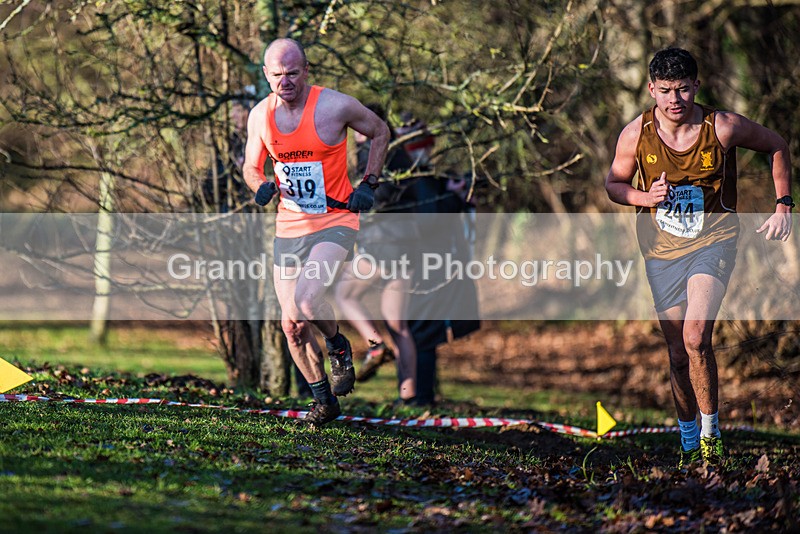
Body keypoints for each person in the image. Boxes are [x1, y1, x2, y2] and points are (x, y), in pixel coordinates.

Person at [605, 47, 792, 467]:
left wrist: (783, 204)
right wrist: (643, 196)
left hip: (714, 242)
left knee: (695, 338)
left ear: (697, 87)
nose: (675, 100)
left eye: (684, 90)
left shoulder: (722, 126)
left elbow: (777, 146)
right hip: (660, 251)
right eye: (666, 91)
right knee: (676, 351)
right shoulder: (636, 133)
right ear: (652, 89)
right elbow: (613, 183)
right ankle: (688, 441)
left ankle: (711, 439)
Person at [243, 38, 390, 426]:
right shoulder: (260, 116)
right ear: (266, 75)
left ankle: (338, 345)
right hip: (289, 225)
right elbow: (249, 166)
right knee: (291, 326)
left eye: (293, 73)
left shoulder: (334, 105)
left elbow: (379, 131)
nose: (285, 81)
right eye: (277, 75)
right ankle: (324, 402)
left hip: (335, 220)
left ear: (306, 70)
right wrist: (259, 184)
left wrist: (369, 183)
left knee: (309, 303)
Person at [335, 104, 419, 401]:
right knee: (398, 325)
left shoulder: (379, 154)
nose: (352, 129)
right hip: (406, 248)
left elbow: (379, 199)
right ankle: (408, 396)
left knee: (344, 295)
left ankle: (375, 345)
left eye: (358, 123)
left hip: (385, 245)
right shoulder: (398, 152)